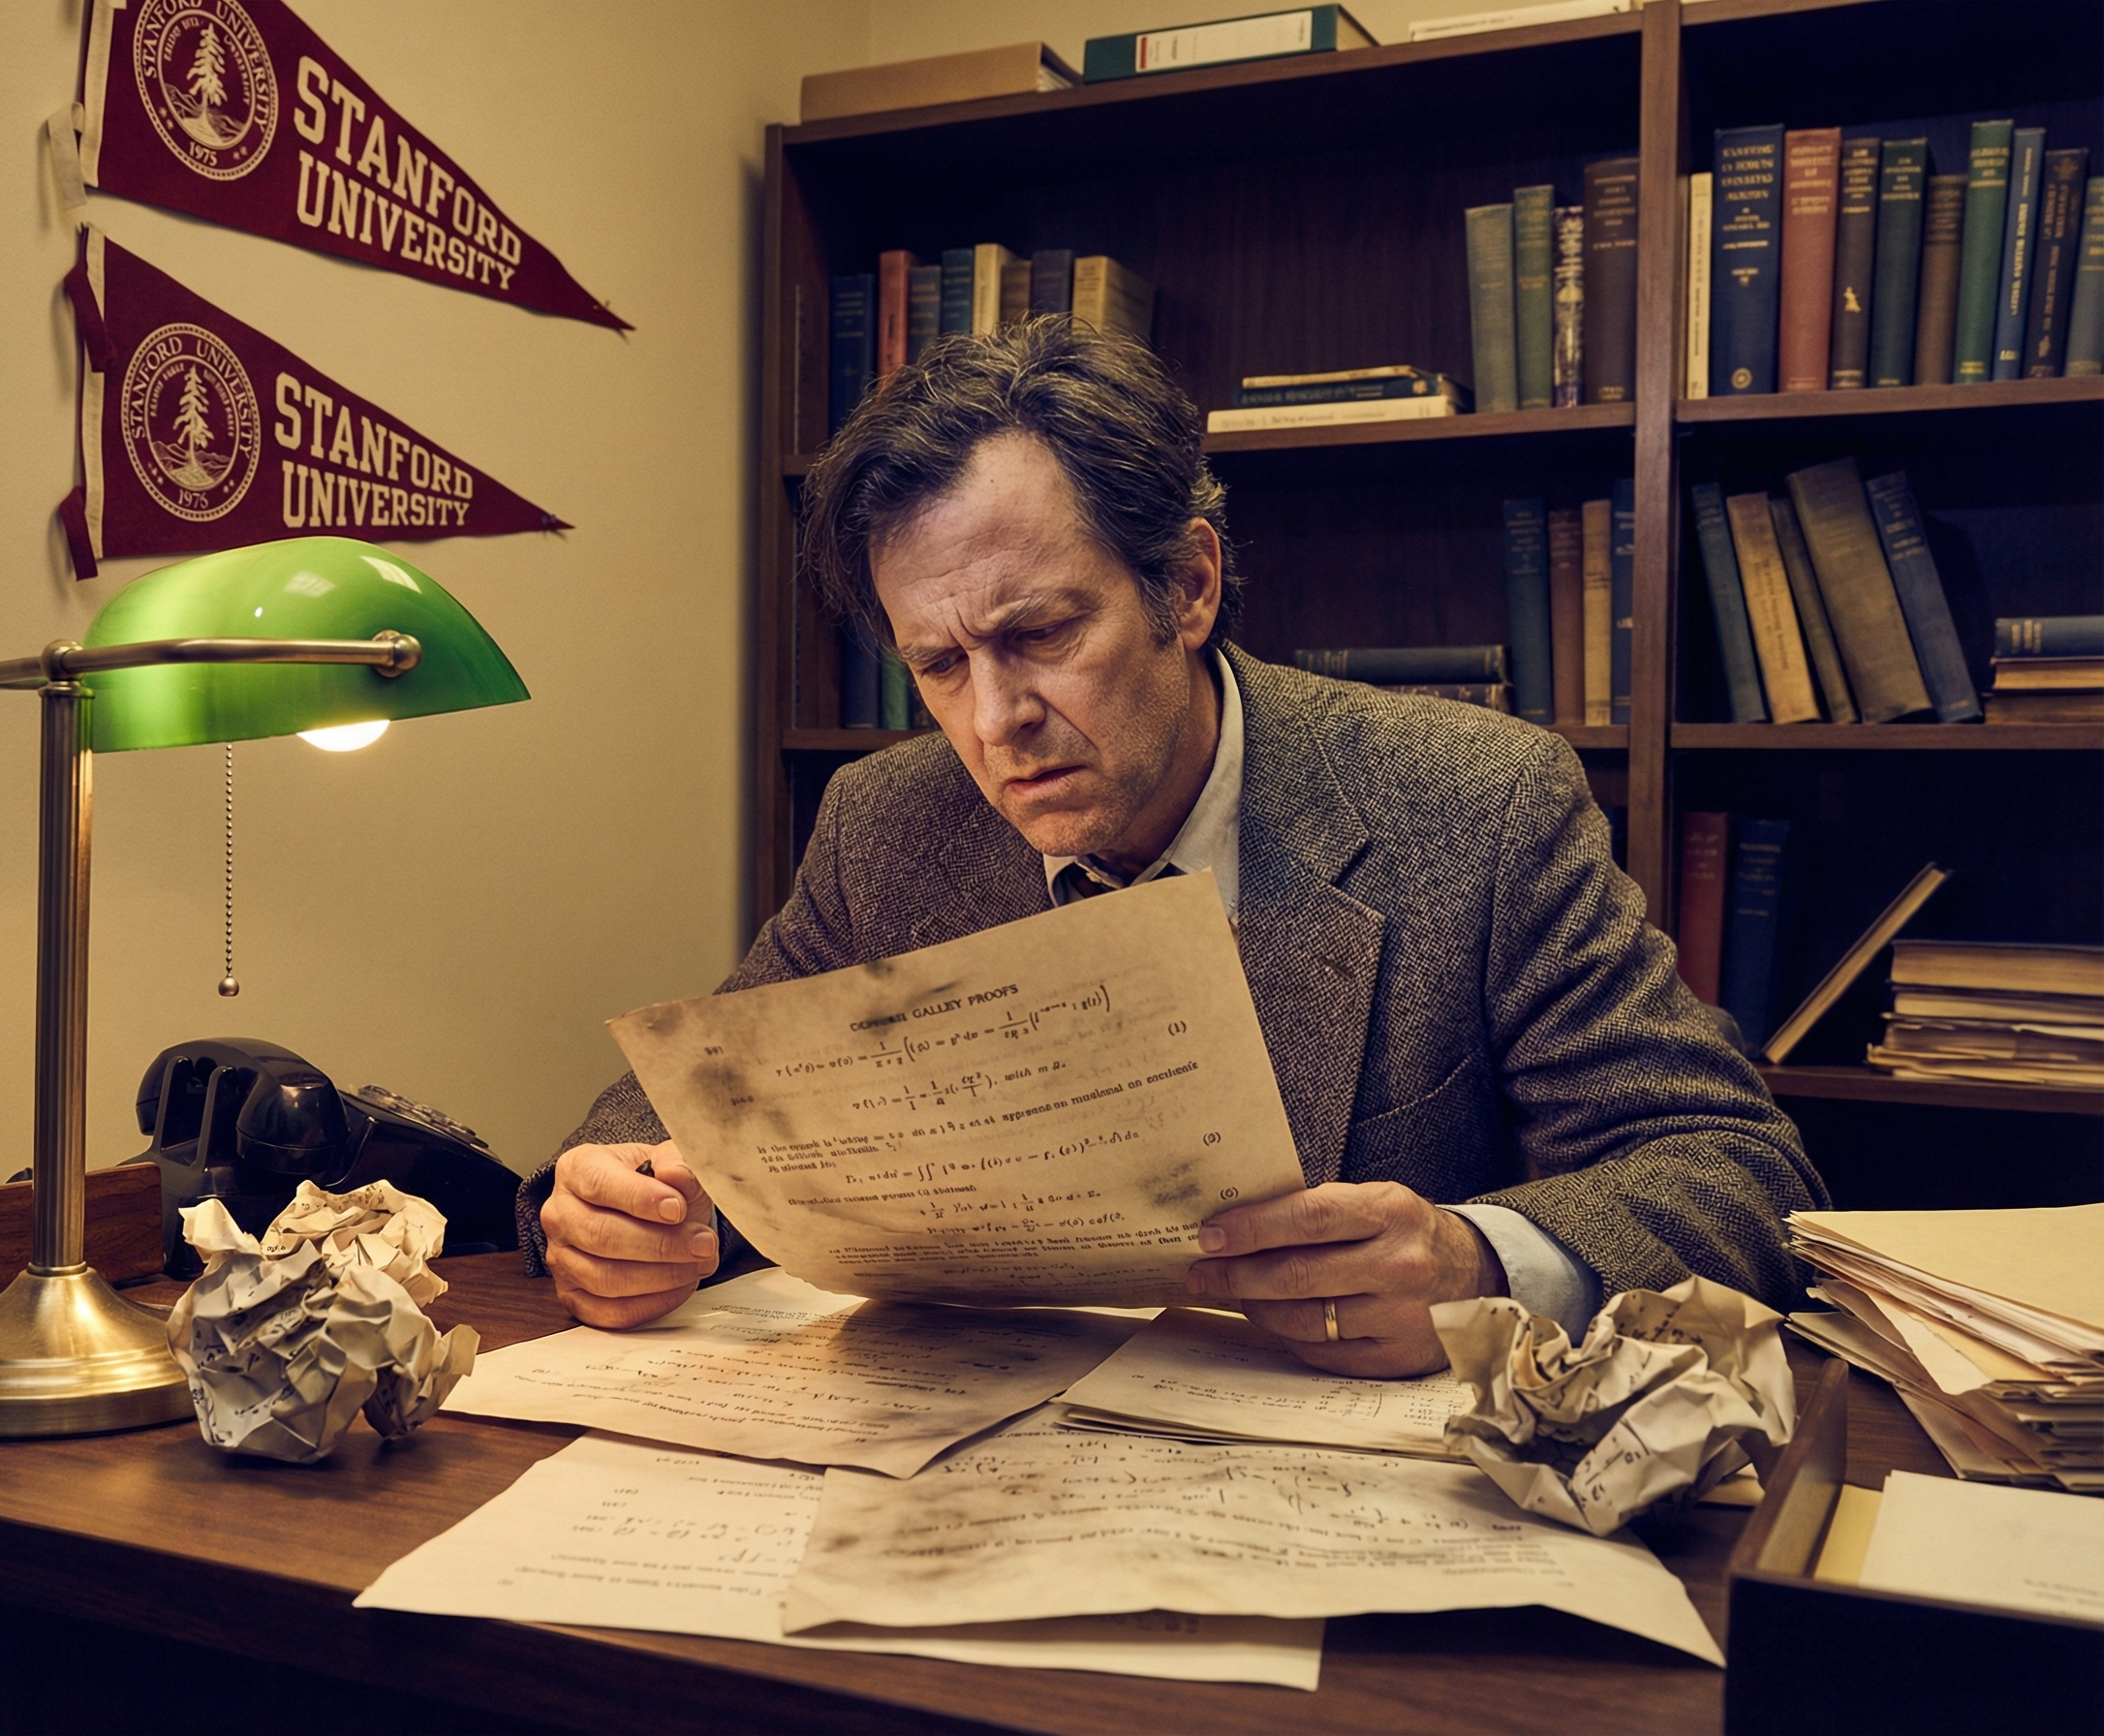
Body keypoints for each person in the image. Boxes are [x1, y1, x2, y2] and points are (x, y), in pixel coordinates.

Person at [519, 317, 1826, 1377]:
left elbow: (1740, 1176)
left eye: (1039, 634)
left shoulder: (1475, 802)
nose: (995, 721)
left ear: (1189, 586)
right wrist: (614, 1206)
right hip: (969, 1489)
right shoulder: (886, 822)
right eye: (939, 662)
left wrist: (1479, 1261)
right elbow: (687, 1111)